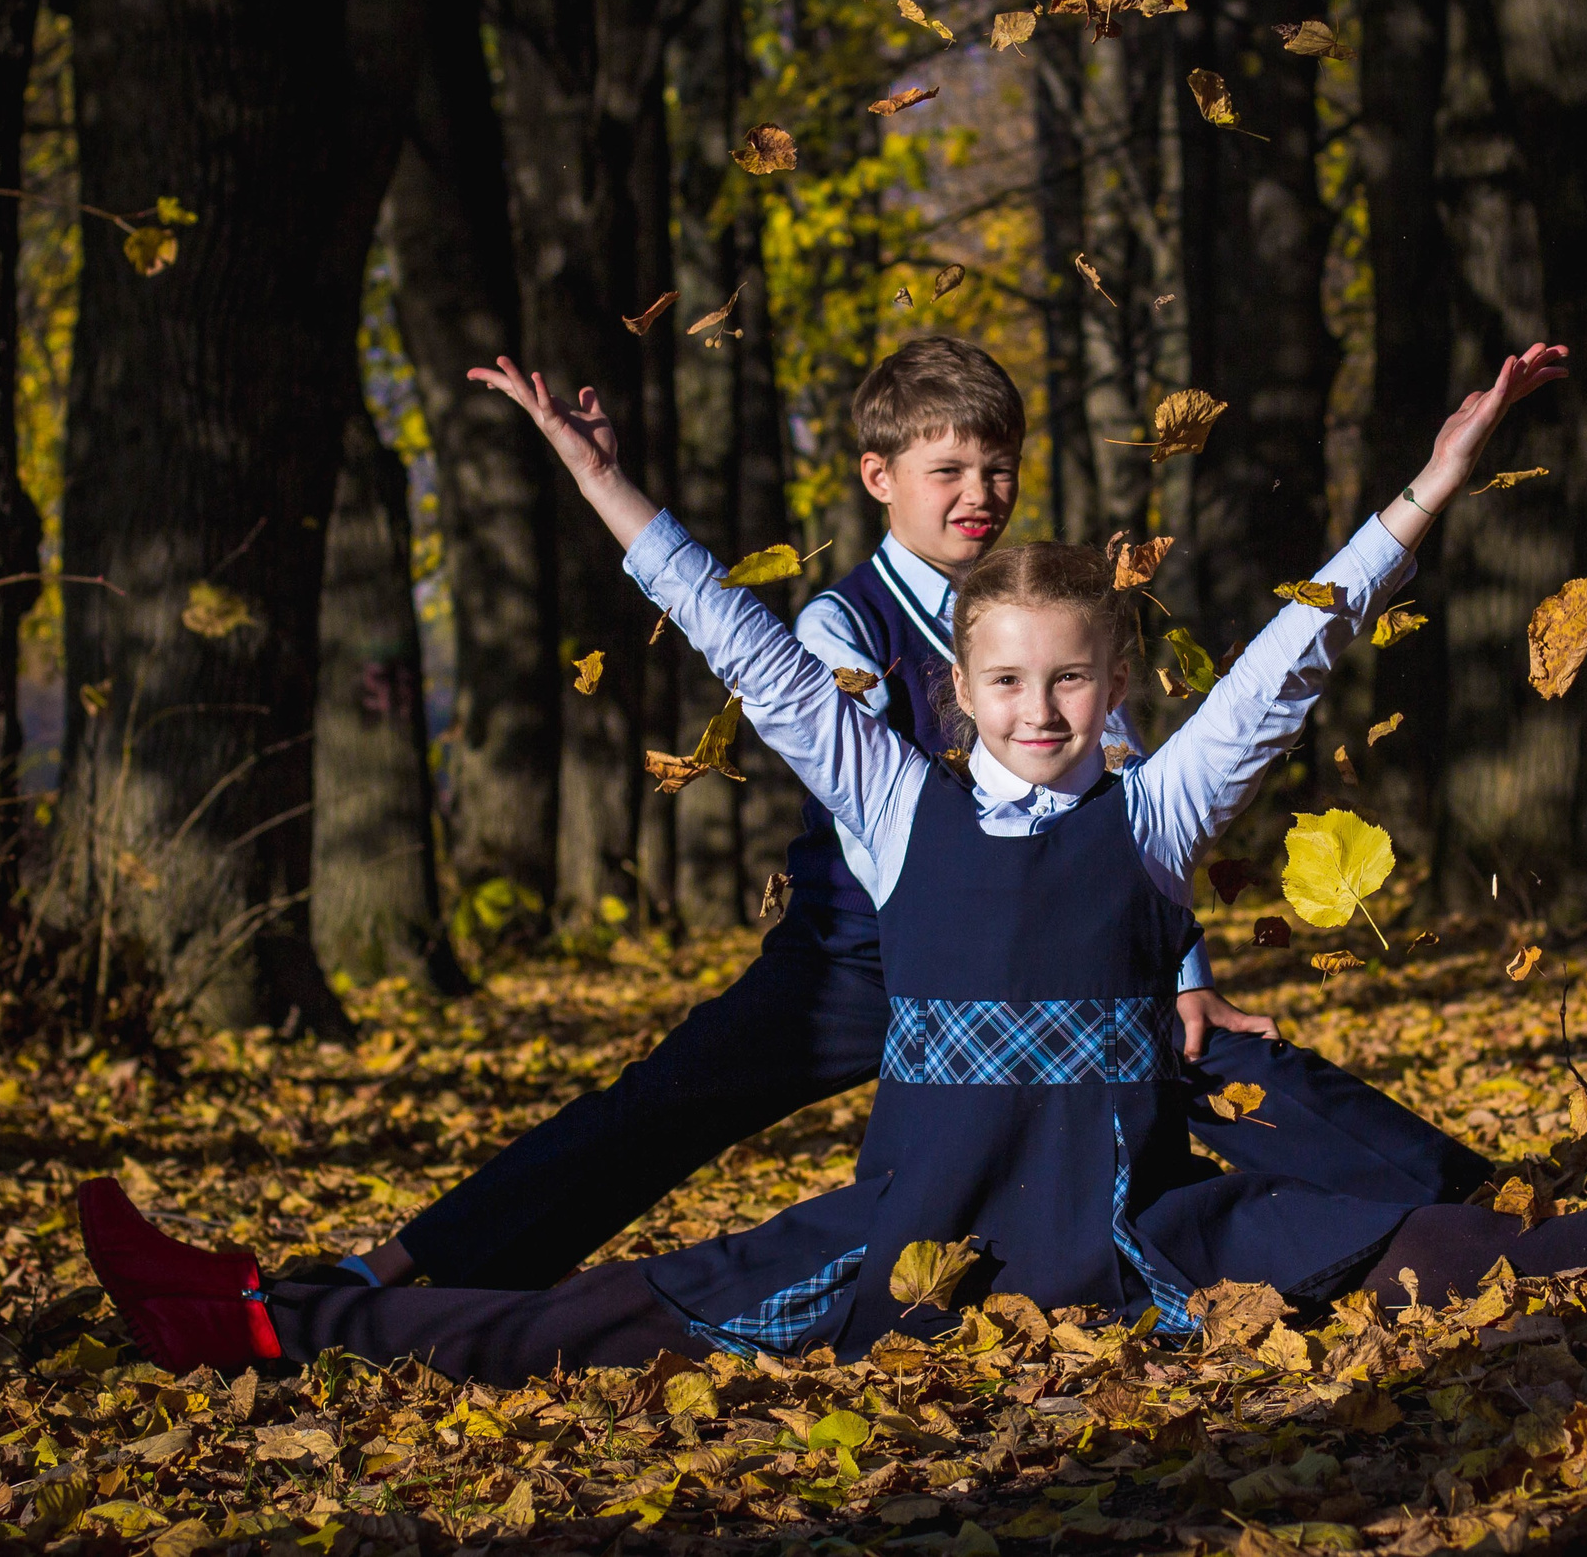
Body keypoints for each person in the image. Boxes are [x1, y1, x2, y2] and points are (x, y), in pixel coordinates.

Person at [79, 339, 1587, 1381]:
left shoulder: (1143, 801)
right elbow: (736, 644)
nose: (1023, 704)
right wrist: (595, 476)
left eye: (1059, 677)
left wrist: (1430, 481)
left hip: (1130, 1237)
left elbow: (1292, 654)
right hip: (895, 1177)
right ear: (958, 669)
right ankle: (288, 1310)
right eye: (997, 675)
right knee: (620, 1288)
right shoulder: (889, 766)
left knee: (1425, 1231)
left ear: (1103, 683)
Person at [302, 337, 1477, 1296]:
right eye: (948, 472)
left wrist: (1178, 960)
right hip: (859, 953)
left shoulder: (1042, 613)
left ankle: (1475, 1213)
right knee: (660, 1105)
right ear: (880, 478)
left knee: (1228, 1060)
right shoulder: (842, 626)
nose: (979, 497)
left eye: (998, 470)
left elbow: (1125, 787)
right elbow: (762, 669)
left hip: (1056, 945)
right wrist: (607, 485)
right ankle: (402, 1269)